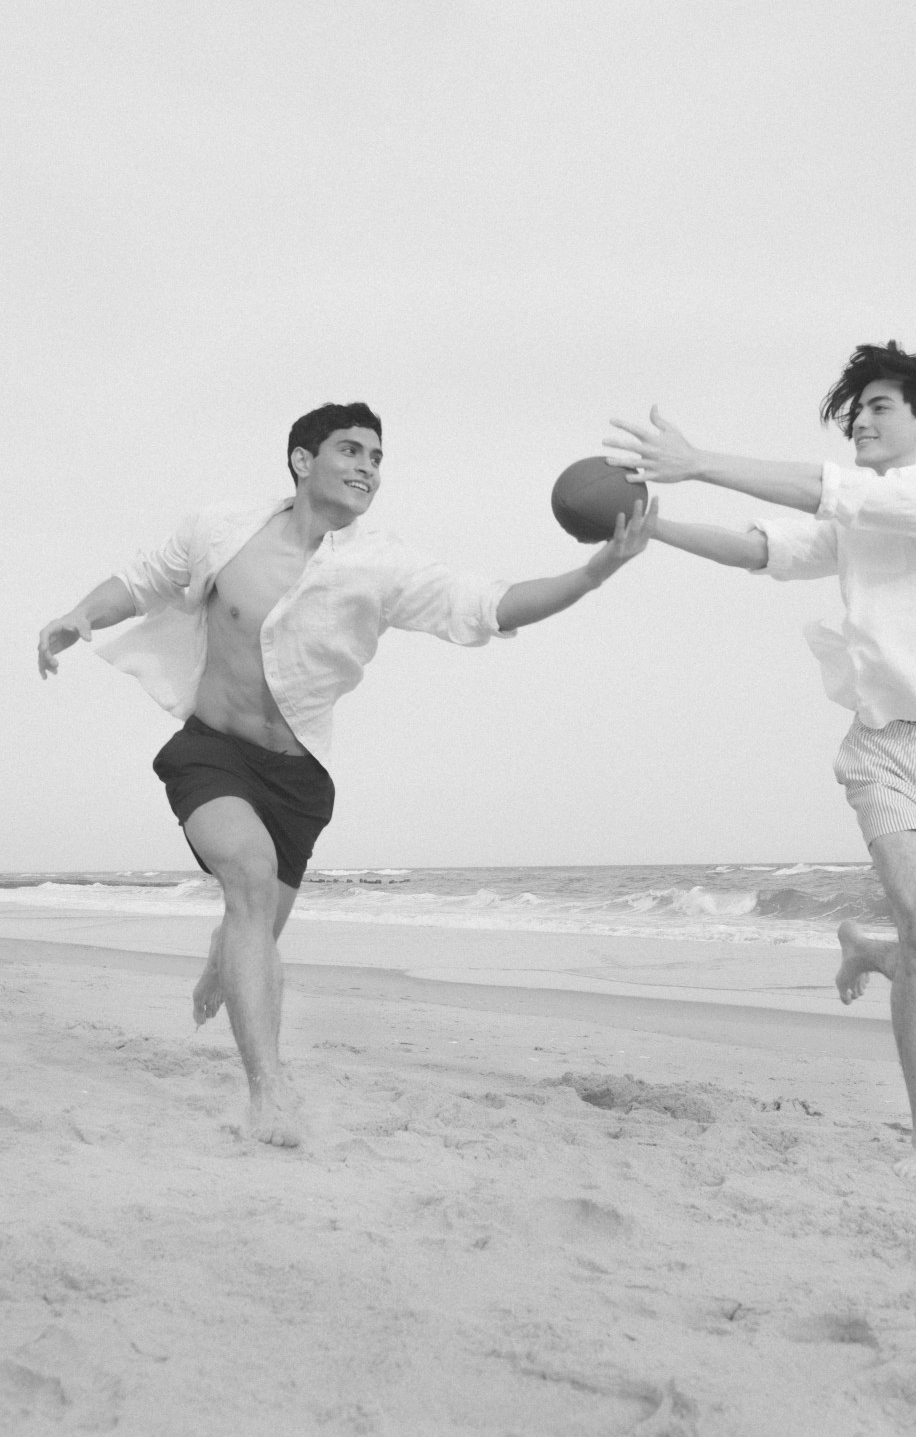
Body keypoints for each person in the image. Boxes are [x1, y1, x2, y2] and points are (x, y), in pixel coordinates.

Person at [37, 403, 654, 1147]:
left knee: (256, 922)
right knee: (250, 878)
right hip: (211, 749)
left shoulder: (381, 564)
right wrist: (79, 614)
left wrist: (595, 571)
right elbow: (144, 581)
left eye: (377, 457)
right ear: (303, 460)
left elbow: (489, 605)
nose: (368, 467)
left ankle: (225, 960)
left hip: (299, 777)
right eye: (352, 450)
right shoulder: (220, 531)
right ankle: (268, 1090)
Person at [605, 344, 916, 1183]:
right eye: (855, 410)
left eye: (880, 407)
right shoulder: (859, 521)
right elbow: (767, 549)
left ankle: (867, 949)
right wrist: (658, 526)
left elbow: (833, 489)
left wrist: (700, 461)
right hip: (883, 748)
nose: (861, 418)